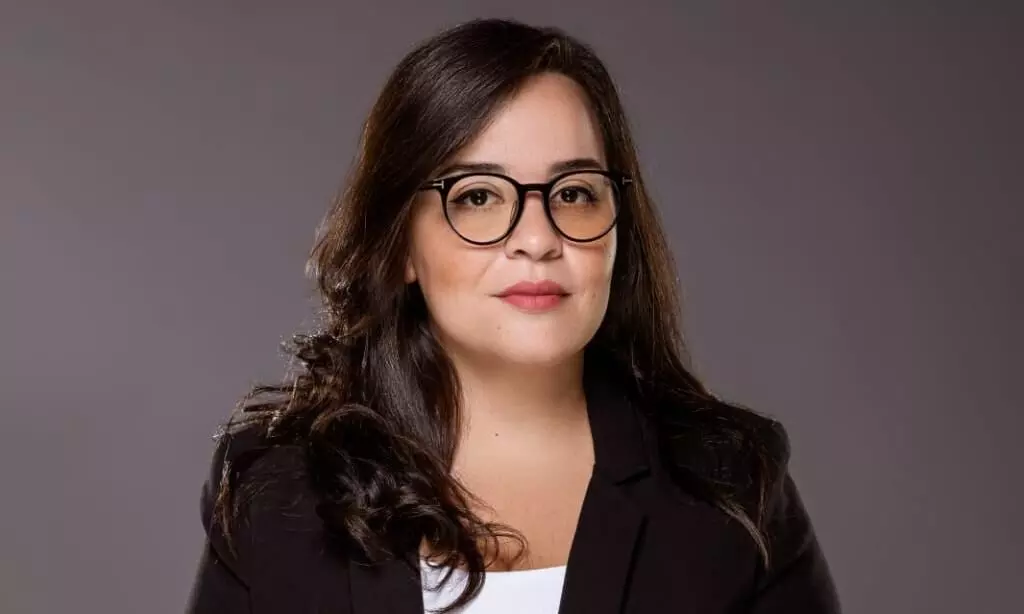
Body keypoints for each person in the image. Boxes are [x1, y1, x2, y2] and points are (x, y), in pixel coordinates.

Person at [185, 17, 840, 614]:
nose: (537, 239)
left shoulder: (732, 487)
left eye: (574, 193)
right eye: (478, 197)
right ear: (401, 245)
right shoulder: (276, 494)